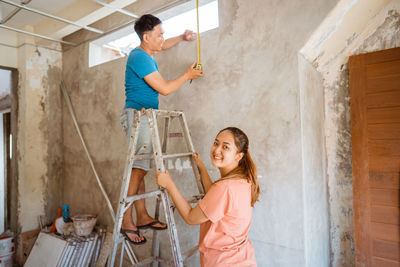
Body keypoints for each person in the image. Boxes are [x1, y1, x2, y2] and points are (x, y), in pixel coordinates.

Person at [120, 14, 203, 245]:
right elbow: (165, 89)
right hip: (138, 117)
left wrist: (182, 37)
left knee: (141, 168)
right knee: (137, 170)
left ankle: (142, 215)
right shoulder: (140, 57)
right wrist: (188, 74)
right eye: (159, 34)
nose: (162, 38)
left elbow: (163, 45)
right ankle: (127, 221)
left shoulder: (147, 51)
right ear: (146, 37)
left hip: (144, 116)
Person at [156, 127, 260, 266]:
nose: (217, 150)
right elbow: (215, 199)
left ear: (238, 156)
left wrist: (169, 185)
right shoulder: (244, 180)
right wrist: (202, 167)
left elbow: (190, 217)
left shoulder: (225, 187)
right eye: (216, 143)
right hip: (242, 258)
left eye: (226, 147)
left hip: (223, 262)